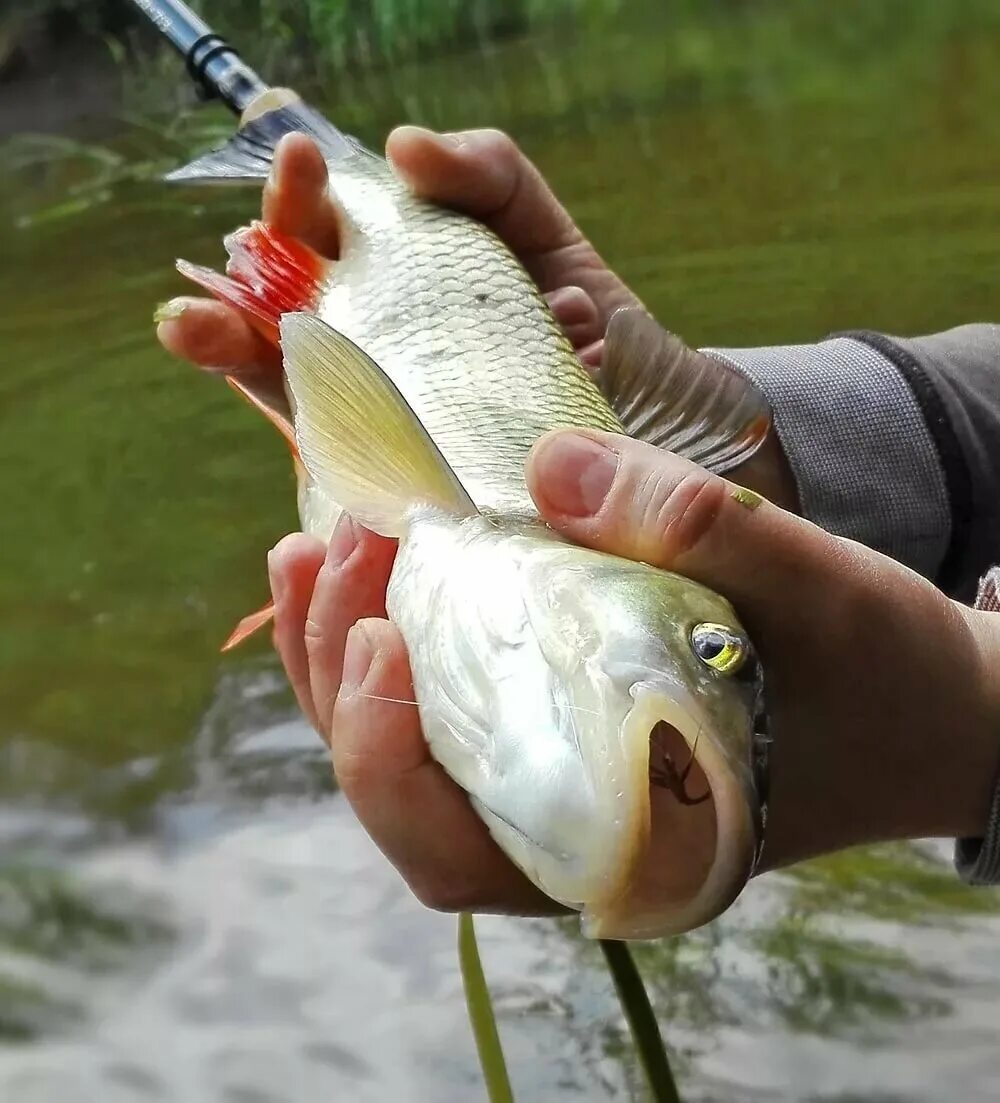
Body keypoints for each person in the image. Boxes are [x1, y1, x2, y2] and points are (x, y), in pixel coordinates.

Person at [156, 126, 1000, 921]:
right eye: (718, 649)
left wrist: (973, 717)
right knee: (345, 172)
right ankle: (310, 148)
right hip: (427, 288)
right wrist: (767, 470)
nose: (729, 703)